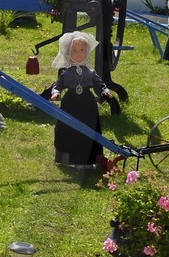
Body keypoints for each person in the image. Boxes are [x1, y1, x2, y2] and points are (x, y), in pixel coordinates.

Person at [48, 31, 119, 168]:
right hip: (70, 103)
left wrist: (105, 91)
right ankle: (70, 158)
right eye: (74, 51)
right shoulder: (66, 72)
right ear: (69, 53)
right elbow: (58, 84)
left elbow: (99, 83)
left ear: (86, 52)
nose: (78, 54)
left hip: (87, 103)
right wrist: (56, 92)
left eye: (82, 50)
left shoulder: (90, 72)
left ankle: (89, 159)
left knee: (89, 129)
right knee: (69, 129)